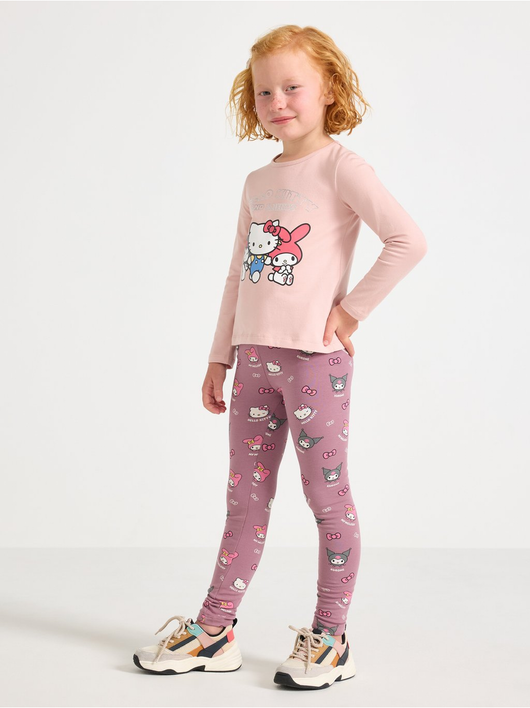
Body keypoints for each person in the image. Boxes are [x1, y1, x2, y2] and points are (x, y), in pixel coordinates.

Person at [133, 24, 428, 690]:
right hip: (253, 362)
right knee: (245, 500)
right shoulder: (257, 181)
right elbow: (238, 274)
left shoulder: (341, 167)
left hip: (314, 363)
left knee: (327, 497)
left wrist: (349, 312)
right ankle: (215, 630)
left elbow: (408, 240)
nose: (278, 101)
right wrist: (220, 355)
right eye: (264, 91)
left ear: (329, 90)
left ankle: (331, 636)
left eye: (293, 87)